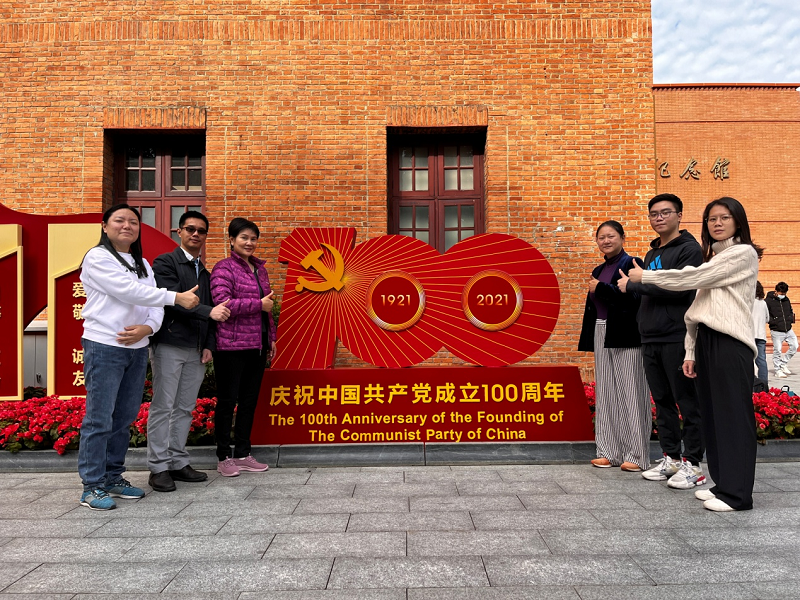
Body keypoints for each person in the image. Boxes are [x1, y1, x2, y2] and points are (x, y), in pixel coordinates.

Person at [629, 196, 762, 512]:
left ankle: (738, 495)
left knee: (732, 419)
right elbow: (698, 310)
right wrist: (690, 351)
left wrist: (646, 276)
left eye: (724, 217)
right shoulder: (716, 257)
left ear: (738, 221)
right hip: (706, 340)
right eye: (712, 219)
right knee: (714, 418)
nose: (717, 223)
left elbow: (693, 278)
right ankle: (723, 485)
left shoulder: (742, 254)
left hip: (730, 343)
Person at [78, 204, 199, 510]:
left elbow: (152, 303)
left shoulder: (142, 262)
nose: (127, 226)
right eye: (119, 220)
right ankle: (92, 485)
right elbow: (127, 291)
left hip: (136, 347)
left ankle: (113, 477)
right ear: (105, 226)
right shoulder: (98, 258)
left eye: (133, 221)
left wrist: (149, 327)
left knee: (124, 417)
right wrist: (175, 297)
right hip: (105, 345)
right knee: (99, 418)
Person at [618, 194, 706, 490]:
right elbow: (649, 289)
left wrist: (639, 282)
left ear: (679, 215)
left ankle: (693, 464)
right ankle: (672, 457)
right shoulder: (652, 251)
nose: (659, 218)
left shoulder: (690, 250)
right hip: (650, 336)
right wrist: (634, 285)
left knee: (687, 402)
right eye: (654, 214)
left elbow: (681, 288)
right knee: (663, 401)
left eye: (665, 212)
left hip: (676, 335)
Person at [147, 211, 232, 492]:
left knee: (184, 408)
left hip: (196, 350)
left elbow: (210, 314)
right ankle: (158, 467)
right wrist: (209, 311)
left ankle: (178, 462)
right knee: (163, 407)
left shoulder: (204, 273)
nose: (196, 234)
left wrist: (209, 344)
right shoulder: (165, 263)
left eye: (201, 231)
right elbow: (172, 301)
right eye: (190, 229)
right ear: (179, 232)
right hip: (169, 344)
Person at [578, 220, 651, 472]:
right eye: (601, 237)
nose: (606, 241)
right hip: (601, 331)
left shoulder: (632, 264)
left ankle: (637, 455)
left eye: (611, 236)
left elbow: (636, 299)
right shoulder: (598, 269)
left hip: (625, 333)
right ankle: (608, 452)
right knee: (607, 392)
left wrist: (602, 288)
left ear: (622, 237)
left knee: (631, 392)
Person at [210, 217, 276, 477]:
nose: (249, 243)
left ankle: (243, 453)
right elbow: (222, 302)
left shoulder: (260, 269)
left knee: (249, 401)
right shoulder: (223, 268)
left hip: (257, 345)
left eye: (253, 238)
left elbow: (268, 309)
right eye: (244, 238)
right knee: (228, 402)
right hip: (231, 346)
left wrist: (271, 338)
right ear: (232, 240)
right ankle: (223, 456)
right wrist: (258, 304)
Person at [765, 282, 797, 379]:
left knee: (794, 346)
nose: (783, 295)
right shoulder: (768, 301)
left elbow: (790, 310)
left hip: (788, 329)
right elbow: (766, 314)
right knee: (777, 350)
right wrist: (773, 321)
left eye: (784, 293)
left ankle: (783, 363)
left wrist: (790, 318)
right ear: (776, 291)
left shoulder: (786, 299)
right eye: (781, 293)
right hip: (776, 330)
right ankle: (777, 370)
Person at [753, 281, 770, 385]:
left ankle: (751, 383)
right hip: (761, 335)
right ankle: (764, 385)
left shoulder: (748, 301)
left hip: (748, 335)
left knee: (747, 360)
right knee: (762, 361)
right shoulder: (763, 303)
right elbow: (767, 318)